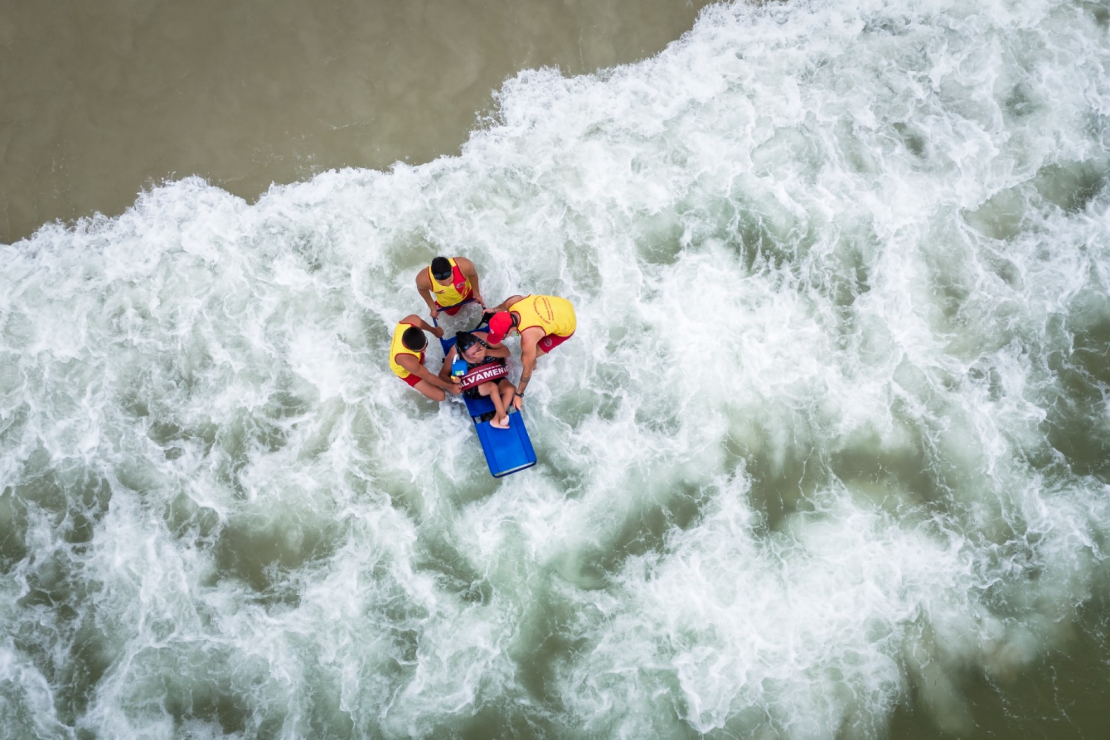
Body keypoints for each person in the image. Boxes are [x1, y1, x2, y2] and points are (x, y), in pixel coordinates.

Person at [484, 294, 576, 410]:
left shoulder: (528, 339)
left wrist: (519, 394)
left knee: (527, 358)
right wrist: (493, 310)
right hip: (562, 303)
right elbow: (503, 305)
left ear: (508, 331)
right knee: (530, 350)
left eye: (501, 337)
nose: (501, 339)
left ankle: (536, 367)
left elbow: (526, 370)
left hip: (568, 322)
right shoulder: (513, 302)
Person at [439, 330, 516, 429]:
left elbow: (506, 352)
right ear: (463, 352)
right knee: (492, 387)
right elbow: (442, 375)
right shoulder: (455, 353)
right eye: (472, 354)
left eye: (478, 349)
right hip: (474, 385)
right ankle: (502, 416)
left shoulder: (481, 337)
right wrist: (453, 381)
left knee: (510, 389)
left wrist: (487, 351)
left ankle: (496, 420)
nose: (477, 354)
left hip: (493, 374)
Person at [389, 315, 461, 401]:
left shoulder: (413, 320)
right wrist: (450, 387)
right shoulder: (407, 361)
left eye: (426, 345)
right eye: (420, 350)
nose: (425, 351)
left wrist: (434, 331)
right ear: (411, 350)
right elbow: (428, 376)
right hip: (406, 371)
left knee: (421, 362)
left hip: (414, 358)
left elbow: (421, 323)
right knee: (440, 396)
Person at [416, 256, 484, 319]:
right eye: (442, 283)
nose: (447, 284)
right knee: (453, 315)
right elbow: (421, 289)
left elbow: (473, 275)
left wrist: (476, 294)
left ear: (452, 269)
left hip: (467, 292)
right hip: (447, 303)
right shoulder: (423, 279)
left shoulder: (465, 266)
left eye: (449, 280)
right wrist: (433, 307)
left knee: (474, 304)